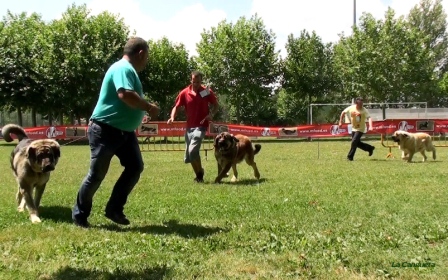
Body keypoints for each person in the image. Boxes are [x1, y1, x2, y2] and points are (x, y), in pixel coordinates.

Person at [72, 37, 160, 228]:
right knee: (97, 175)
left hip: (125, 132)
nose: (146, 61)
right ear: (141, 53)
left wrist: (139, 114)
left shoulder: (128, 71)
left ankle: (114, 209)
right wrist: (149, 107)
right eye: (147, 57)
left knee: (135, 167)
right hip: (105, 130)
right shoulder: (123, 68)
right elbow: (125, 95)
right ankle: (80, 215)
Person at [167, 71, 219, 183]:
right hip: (189, 127)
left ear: (201, 81)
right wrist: (172, 117)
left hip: (201, 125)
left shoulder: (206, 91)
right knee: (190, 156)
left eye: (198, 82)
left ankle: (200, 173)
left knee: (192, 150)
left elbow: (216, 104)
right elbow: (176, 106)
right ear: (191, 80)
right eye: (193, 81)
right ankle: (199, 174)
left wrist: (212, 114)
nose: (196, 84)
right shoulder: (185, 92)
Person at [338, 97, 375, 161]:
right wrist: (340, 121)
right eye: (360, 104)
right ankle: (370, 148)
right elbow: (343, 112)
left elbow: (369, 118)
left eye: (362, 104)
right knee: (356, 143)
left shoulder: (364, 110)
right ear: (356, 104)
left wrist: (371, 126)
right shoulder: (351, 108)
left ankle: (350, 157)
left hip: (361, 128)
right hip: (354, 128)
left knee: (354, 141)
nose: (361, 105)